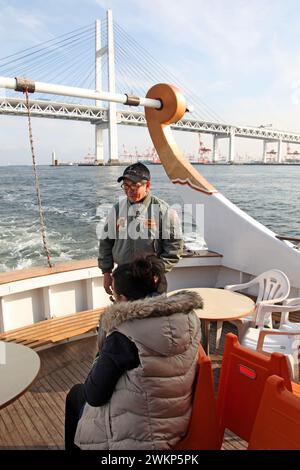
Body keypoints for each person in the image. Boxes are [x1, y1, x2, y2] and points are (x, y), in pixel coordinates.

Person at [65, 255, 202, 450]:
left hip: (138, 437)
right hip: (175, 421)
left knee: (76, 395)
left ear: (123, 299)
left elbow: (95, 395)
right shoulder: (189, 318)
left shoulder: (125, 335)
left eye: (114, 296)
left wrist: (102, 347)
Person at [98, 162, 183, 295]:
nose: (129, 190)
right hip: (123, 276)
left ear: (147, 185)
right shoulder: (117, 209)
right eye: (125, 185)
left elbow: (174, 249)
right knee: (125, 314)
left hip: (151, 278)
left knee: (154, 314)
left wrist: (156, 272)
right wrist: (106, 272)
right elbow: (106, 243)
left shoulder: (164, 211)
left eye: (134, 185)